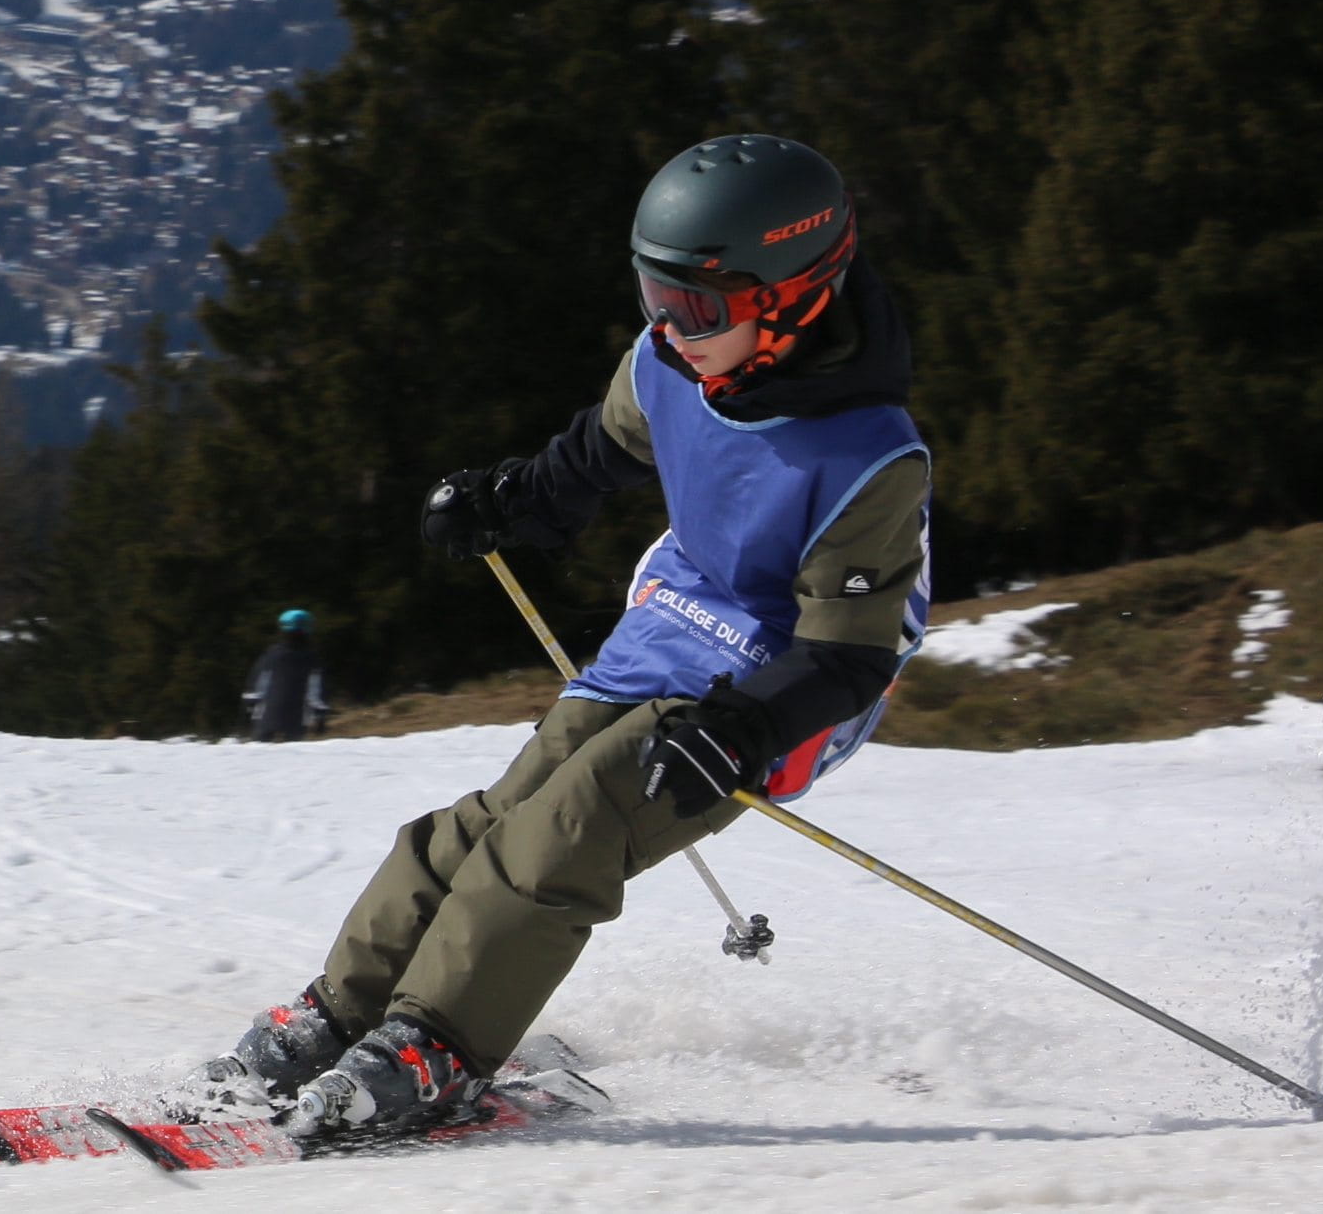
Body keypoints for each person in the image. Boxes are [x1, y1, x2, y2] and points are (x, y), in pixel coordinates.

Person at [198, 134, 932, 1140]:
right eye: (653, 297)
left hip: (779, 684)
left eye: (698, 309)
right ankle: (343, 1012)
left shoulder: (867, 457)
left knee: (565, 831)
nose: (670, 331)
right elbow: (607, 445)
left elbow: (853, 652)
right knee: (492, 816)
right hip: (673, 624)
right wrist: (514, 498)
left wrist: (749, 728)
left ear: (795, 295)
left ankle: (435, 1050)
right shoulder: (675, 363)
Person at [242, 610, 334, 742]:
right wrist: (320, 718)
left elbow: (256, 687)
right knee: (291, 758)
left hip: (265, 718)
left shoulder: (270, 655)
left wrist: (249, 709)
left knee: (260, 756)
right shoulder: (313, 660)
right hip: (296, 720)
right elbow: (316, 693)